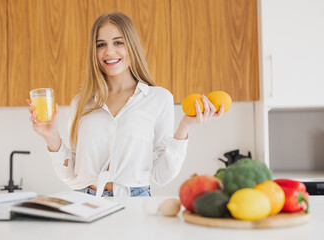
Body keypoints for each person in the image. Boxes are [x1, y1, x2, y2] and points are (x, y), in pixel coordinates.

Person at [28, 12, 224, 197]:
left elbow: (161, 175)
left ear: (131, 45)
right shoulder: (82, 102)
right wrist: (51, 136)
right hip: (86, 200)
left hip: (135, 200)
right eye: (101, 44)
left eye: (118, 42)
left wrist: (185, 126)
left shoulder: (158, 98)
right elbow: (72, 175)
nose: (109, 51)